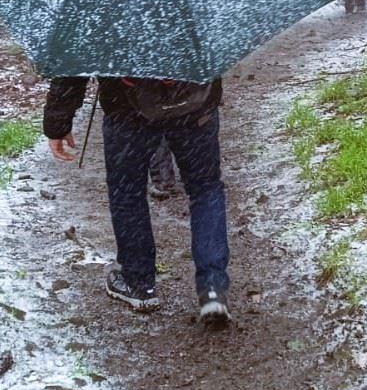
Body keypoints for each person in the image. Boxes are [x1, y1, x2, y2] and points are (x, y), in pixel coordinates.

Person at [44, 76, 230, 325]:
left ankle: (138, 283)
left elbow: (76, 57)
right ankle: (212, 288)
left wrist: (58, 121)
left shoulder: (109, 33)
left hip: (127, 110)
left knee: (128, 192)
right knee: (205, 189)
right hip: (195, 105)